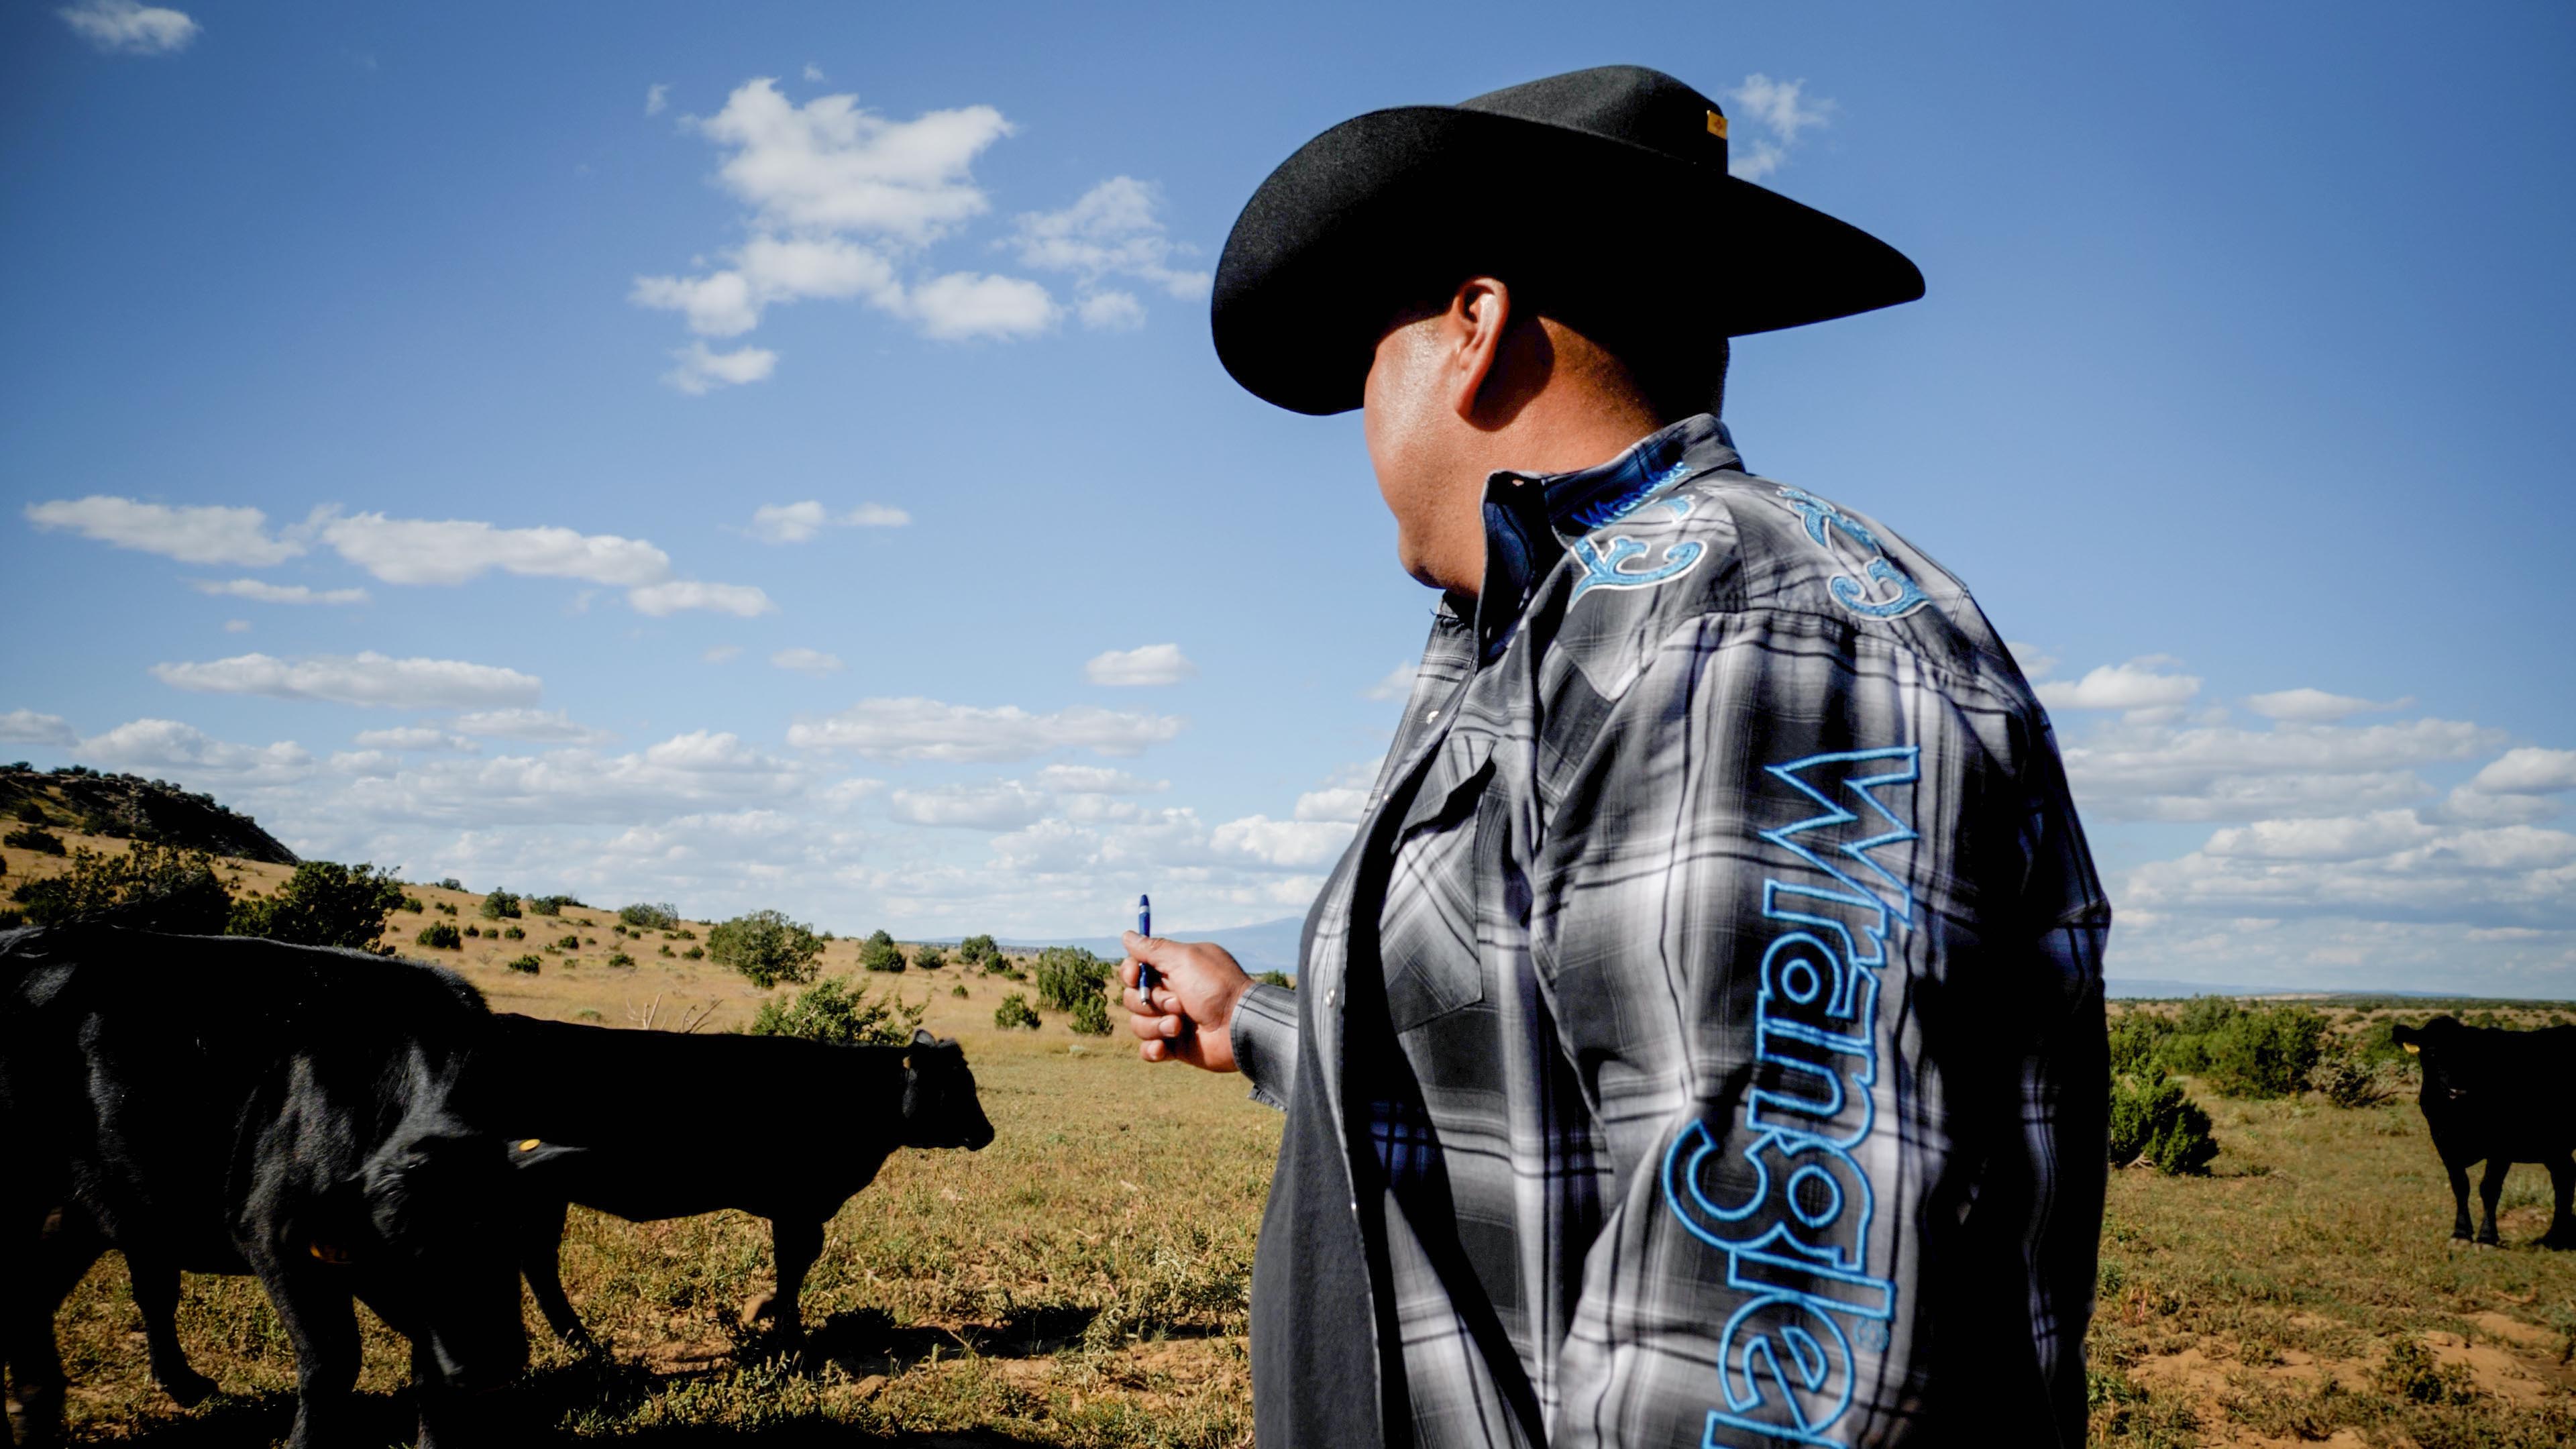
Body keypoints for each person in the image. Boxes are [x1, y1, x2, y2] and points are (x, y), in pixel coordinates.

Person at [1120, 65, 2108, 1448]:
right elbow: (1535, 1084)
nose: (1360, 413)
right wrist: (1254, 1023)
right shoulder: (1570, 633)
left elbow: (1774, 1356)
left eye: (1368, 350)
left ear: (1474, 328)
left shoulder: (1744, 632)